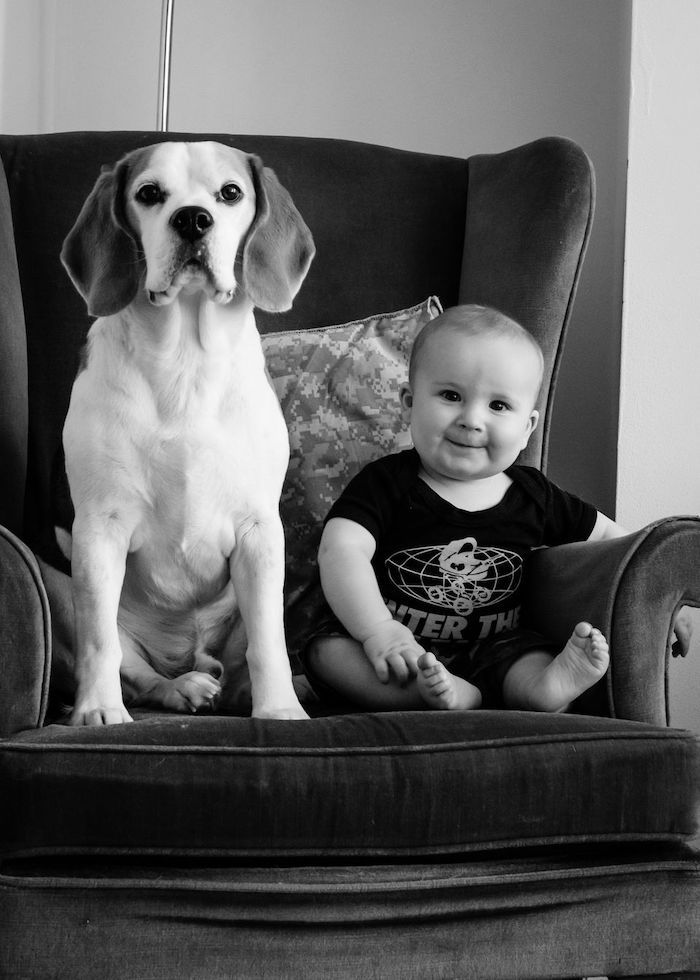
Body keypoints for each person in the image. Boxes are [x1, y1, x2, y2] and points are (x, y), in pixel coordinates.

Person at [303, 304, 628, 712]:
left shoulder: (535, 496)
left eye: (498, 406)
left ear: (527, 428)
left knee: (528, 655)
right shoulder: (387, 482)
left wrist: (665, 592)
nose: (472, 419)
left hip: (497, 647)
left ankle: (544, 688)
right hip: (399, 648)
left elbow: (610, 539)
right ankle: (435, 694)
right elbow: (341, 549)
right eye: (451, 396)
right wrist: (377, 631)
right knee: (325, 652)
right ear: (410, 403)